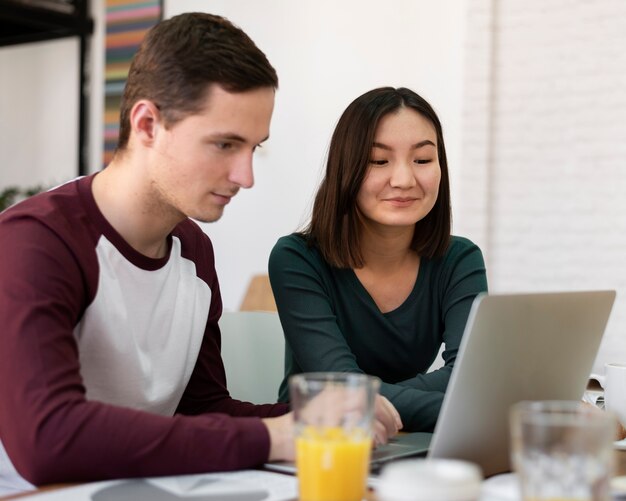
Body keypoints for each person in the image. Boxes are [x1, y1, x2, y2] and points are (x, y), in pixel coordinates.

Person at [0, 13, 399, 496]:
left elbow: (202, 409)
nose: (245, 175)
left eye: (254, 148)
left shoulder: (192, 250)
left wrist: (314, 417)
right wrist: (273, 435)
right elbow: (48, 439)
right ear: (147, 124)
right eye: (225, 144)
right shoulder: (34, 242)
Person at [269, 87, 489, 433]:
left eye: (422, 160)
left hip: (417, 440)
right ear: (347, 169)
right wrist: (497, 412)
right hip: (322, 442)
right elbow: (342, 390)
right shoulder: (297, 259)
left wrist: (370, 401)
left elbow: (470, 375)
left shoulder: (459, 259)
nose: (403, 180)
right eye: (378, 161)